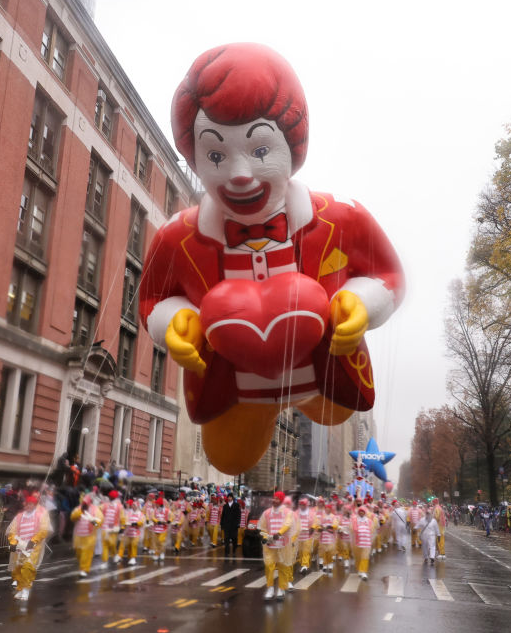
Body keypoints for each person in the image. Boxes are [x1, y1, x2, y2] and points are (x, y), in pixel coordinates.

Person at [138, 43, 405, 475]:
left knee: (334, 411)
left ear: (291, 143)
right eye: (217, 156)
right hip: (232, 386)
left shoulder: (341, 218)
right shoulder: (177, 238)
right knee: (227, 457)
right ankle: (255, 406)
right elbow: (153, 297)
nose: (240, 174)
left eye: (260, 150)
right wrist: (176, 323)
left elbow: (386, 273)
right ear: (196, 158)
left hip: (327, 379)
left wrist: (360, 304)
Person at [6, 493, 51, 601]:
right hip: (20, 546)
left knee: (28, 567)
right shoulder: (19, 516)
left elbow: (44, 530)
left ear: (35, 505)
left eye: (31, 504)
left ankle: (26, 589)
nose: (29, 506)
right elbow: (13, 531)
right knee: (19, 568)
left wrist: (33, 541)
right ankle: (20, 588)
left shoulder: (40, 516)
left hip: (33, 547)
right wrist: (13, 542)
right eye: (27, 504)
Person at [257, 491, 294, 600]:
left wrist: (279, 533)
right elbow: (262, 528)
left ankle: (281, 589)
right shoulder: (267, 513)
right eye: (274, 498)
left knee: (283, 566)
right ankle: (270, 588)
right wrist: (264, 537)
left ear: (281, 500)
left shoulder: (288, 512)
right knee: (269, 566)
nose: (274, 500)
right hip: (270, 545)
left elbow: (288, 524)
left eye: (277, 498)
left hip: (283, 544)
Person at [69, 492, 101, 576]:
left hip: (89, 536)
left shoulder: (95, 509)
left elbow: (100, 520)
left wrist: (94, 521)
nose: (85, 505)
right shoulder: (78, 508)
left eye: (86, 503)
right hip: (78, 536)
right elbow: (72, 517)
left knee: (86, 553)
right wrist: (80, 512)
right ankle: (83, 567)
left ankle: (84, 569)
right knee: (79, 553)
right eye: (83, 503)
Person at [99, 490, 124, 566]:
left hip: (114, 529)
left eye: (112, 497)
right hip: (104, 528)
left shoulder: (119, 506)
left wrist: (122, 527)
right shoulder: (104, 505)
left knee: (112, 544)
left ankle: (115, 555)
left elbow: (122, 517)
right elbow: (98, 512)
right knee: (105, 545)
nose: (111, 498)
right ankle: (105, 561)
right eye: (110, 496)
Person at [119, 498, 146, 565]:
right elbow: (125, 520)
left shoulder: (141, 514)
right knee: (128, 545)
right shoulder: (129, 513)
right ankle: (128, 556)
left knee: (134, 544)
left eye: (134, 505)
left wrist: (136, 523)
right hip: (128, 532)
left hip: (136, 533)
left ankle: (133, 557)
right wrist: (123, 526)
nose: (133, 506)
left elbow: (142, 522)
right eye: (133, 505)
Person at [296, 498, 316, 574]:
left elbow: (315, 521)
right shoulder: (296, 513)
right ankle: (302, 564)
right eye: (301, 505)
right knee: (300, 551)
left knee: (306, 550)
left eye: (303, 505)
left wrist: (312, 528)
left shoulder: (311, 513)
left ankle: (305, 565)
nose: (302, 506)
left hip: (308, 535)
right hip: (299, 535)